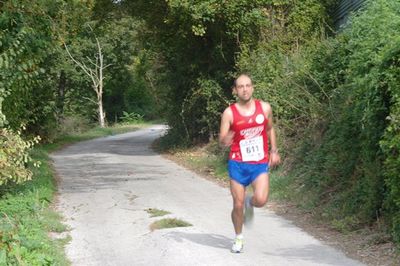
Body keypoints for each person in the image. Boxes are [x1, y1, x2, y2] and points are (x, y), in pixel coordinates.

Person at [219, 74, 281, 253]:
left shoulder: (265, 108)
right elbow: (221, 140)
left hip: (259, 162)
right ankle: (238, 238)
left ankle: (250, 203)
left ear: (253, 87)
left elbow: (270, 128)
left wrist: (274, 151)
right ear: (235, 90)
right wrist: (226, 139)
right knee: (236, 204)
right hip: (238, 163)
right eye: (240, 86)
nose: (244, 89)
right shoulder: (229, 113)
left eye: (247, 85)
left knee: (261, 200)